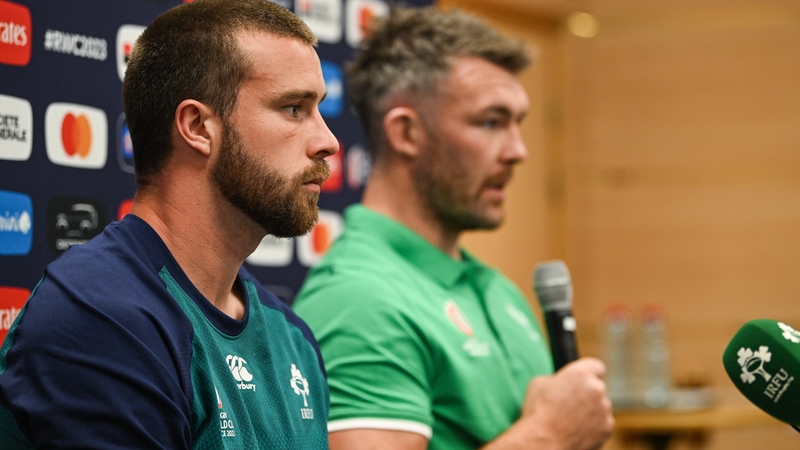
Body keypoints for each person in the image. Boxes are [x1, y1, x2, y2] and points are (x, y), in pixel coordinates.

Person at [0, 0, 338, 448]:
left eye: (318, 110)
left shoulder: (291, 337)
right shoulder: (101, 318)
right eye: (294, 108)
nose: (328, 141)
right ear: (197, 126)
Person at [293, 6, 614, 450]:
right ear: (406, 133)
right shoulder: (359, 299)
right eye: (490, 122)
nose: (518, 151)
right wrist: (550, 435)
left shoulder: (499, 290)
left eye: (517, 124)